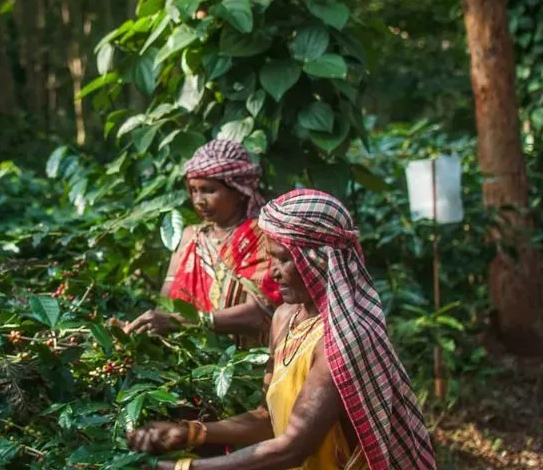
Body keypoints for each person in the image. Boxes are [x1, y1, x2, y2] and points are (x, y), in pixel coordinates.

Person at [126, 190, 436, 470]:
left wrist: (181, 468)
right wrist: (192, 433)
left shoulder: (344, 339)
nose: (273, 273)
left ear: (320, 261)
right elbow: (268, 419)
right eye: (271, 257)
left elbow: (292, 448)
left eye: (284, 259)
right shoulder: (285, 318)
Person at [122, 139, 281, 347]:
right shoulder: (190, 237)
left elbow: (258, 314)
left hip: (244, 360)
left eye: (208, 190)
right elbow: (165, 307)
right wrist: (137, 331)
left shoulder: (260, 237)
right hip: (187, 355)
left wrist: (185, 322)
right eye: (194, 190)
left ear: (239, 191)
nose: (199, 201)